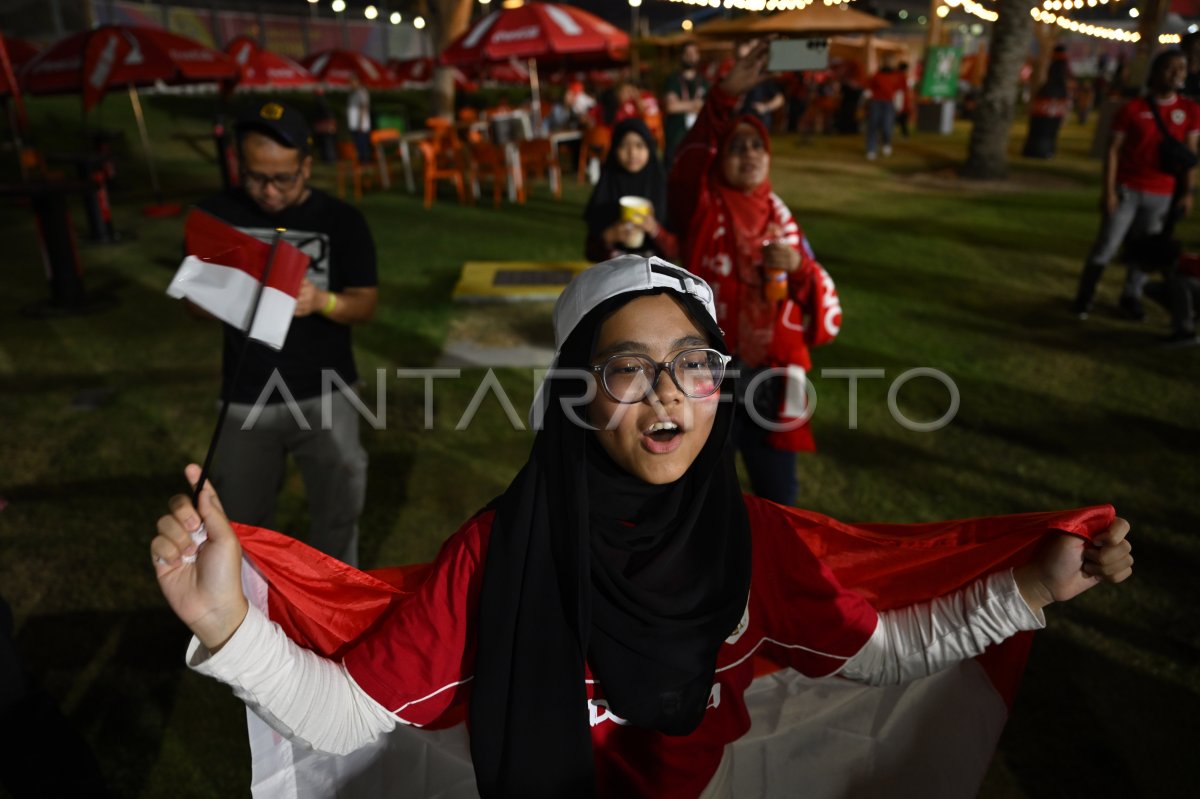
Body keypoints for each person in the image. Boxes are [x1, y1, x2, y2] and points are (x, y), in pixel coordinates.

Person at [152, 255, 1134, 798]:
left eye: (693, 361)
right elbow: (352, 714)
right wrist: (229, 627)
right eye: (629, 366)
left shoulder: (756, 539)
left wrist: (1031, 591)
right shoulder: (501, 553)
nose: (668, 390)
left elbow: (881, 651)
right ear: (579, 394)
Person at [191, 100, 378, 565]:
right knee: (242, 526)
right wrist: (223, 295)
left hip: (326, 388)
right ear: (239, 164)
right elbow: (194, 307)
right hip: (246, 394)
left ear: (307, 166)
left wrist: (322, 302)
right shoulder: (216, 216)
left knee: (337, 513)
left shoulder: (342, 221)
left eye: (284, 178)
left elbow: (365, 303)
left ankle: (335, 616)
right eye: (256, 177)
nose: (269, 191)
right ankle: (253, 622)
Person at [669, 40, 838, 507]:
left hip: (769, 379)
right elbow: (686, 169)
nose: (747, 153)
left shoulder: (780, 218)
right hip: (706, 376)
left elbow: (817, 301)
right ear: (719, 159)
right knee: (703, 495)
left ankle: (776, 577)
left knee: (779, 496)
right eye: (735, 146)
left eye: (757, 146)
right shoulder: (702, 207)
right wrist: (722, 99)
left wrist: (799, 267)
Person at [1072, 49, 1200, 321]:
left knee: (1146, 252)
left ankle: (1131, 296)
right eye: (1171, 68)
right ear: (1155, 72)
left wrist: (1187, 193)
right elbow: (1113, 151)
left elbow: (1190, 156)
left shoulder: (1190, 110)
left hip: (1163, 193)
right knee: (1107, 244)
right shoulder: (1132, 109)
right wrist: (1108, 191)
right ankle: (1085, 296)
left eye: (1182, 68)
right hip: (1127, 189)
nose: (1178, 73)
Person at [583, 118, 678, 263]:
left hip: (656, 277)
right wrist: (608, 237)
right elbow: (590, 252)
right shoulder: (607, 186)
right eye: (624, 146)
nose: (632, 153)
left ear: (649, 148)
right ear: (614, 150)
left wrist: (655, 230)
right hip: (614, 276)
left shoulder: (663, 189)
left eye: (639, 146)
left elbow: (676, 251)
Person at [663, 42, 709, 167]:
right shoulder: (673, 80)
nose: (691, 56)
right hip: (676, 137)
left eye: (694, 53)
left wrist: (681, 104)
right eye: (687, 53)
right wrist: (696, 104)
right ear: (681, 56)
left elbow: (707, 107)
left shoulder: (704, 82)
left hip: (698, 138)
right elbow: (671, 107)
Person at [863, 58, 904, 159]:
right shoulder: (877, 75)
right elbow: (869, 88)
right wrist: (867, 98)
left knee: (887, 126)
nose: (888, 64)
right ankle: (871, 150)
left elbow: (899, 91)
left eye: (890, 62)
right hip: (876, 102)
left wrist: (899, 105)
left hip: (889, 103)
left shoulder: (896, 76)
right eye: (886, 62)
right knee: (873, 126)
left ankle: (886, 143)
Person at [346, 74, 372, 164]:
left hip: (361, 126)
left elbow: (364, 108)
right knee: (358, 146)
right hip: (354, 125)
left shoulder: (361, 92)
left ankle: (365, 164)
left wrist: (360, 123)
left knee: (363, 146)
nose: (350, 84)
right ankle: (361, 164)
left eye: (352, 82)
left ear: (357, 81)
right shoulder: (352, 93)